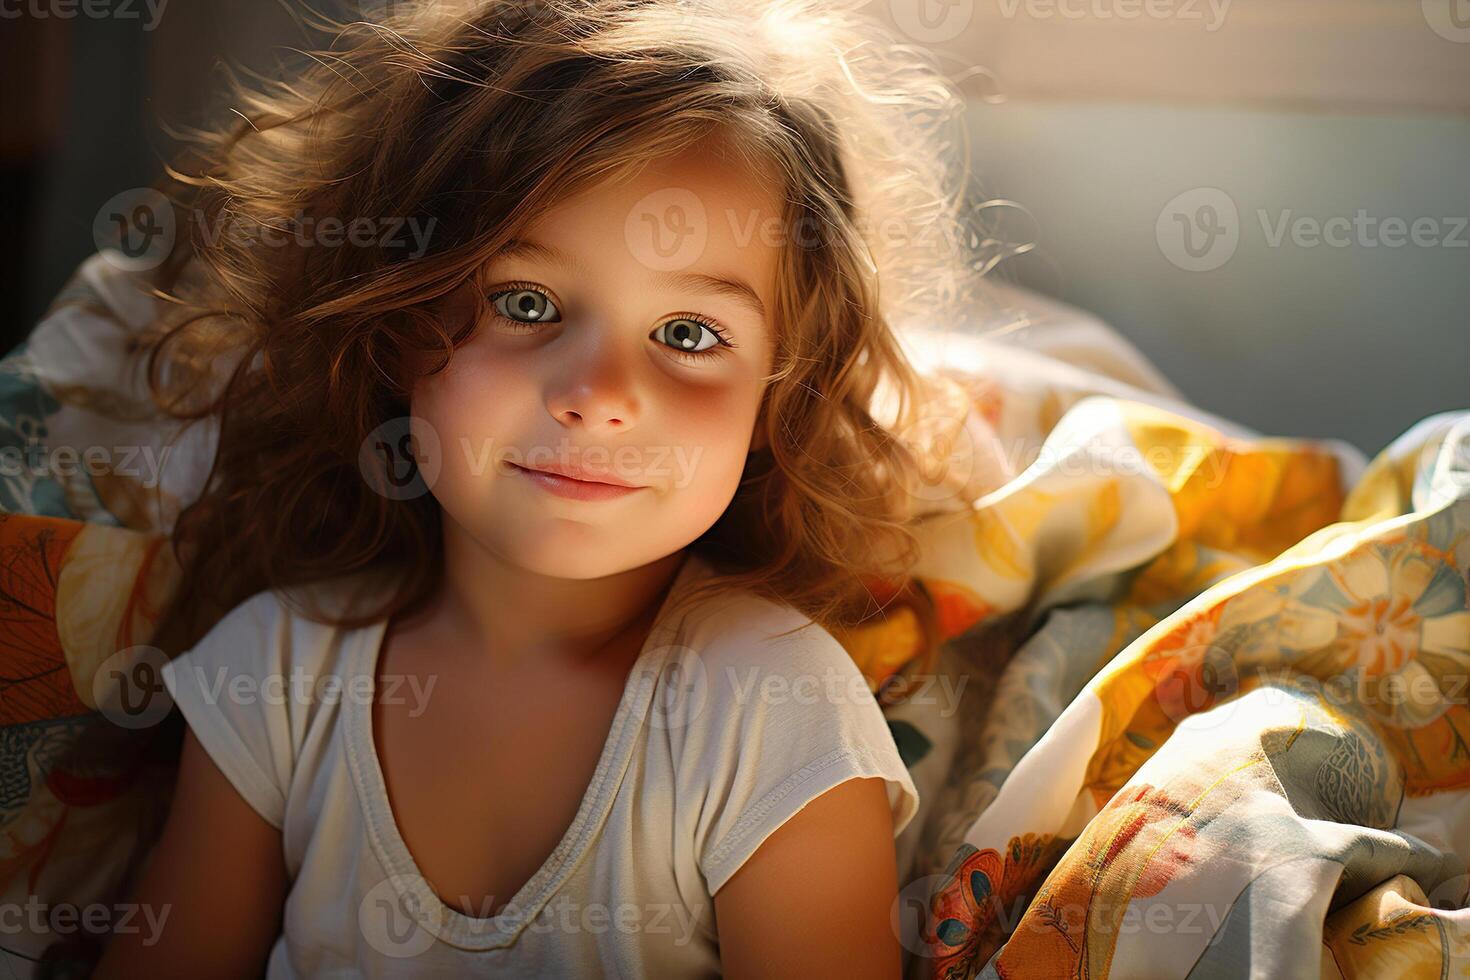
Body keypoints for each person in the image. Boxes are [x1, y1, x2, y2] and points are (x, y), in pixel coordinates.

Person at [94, 0, 989, 975]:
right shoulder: (277, 672)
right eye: (526, 303)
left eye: (688, 334)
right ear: (397, 323)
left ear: (780, 400)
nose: (598, 395)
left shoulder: (771, 708)